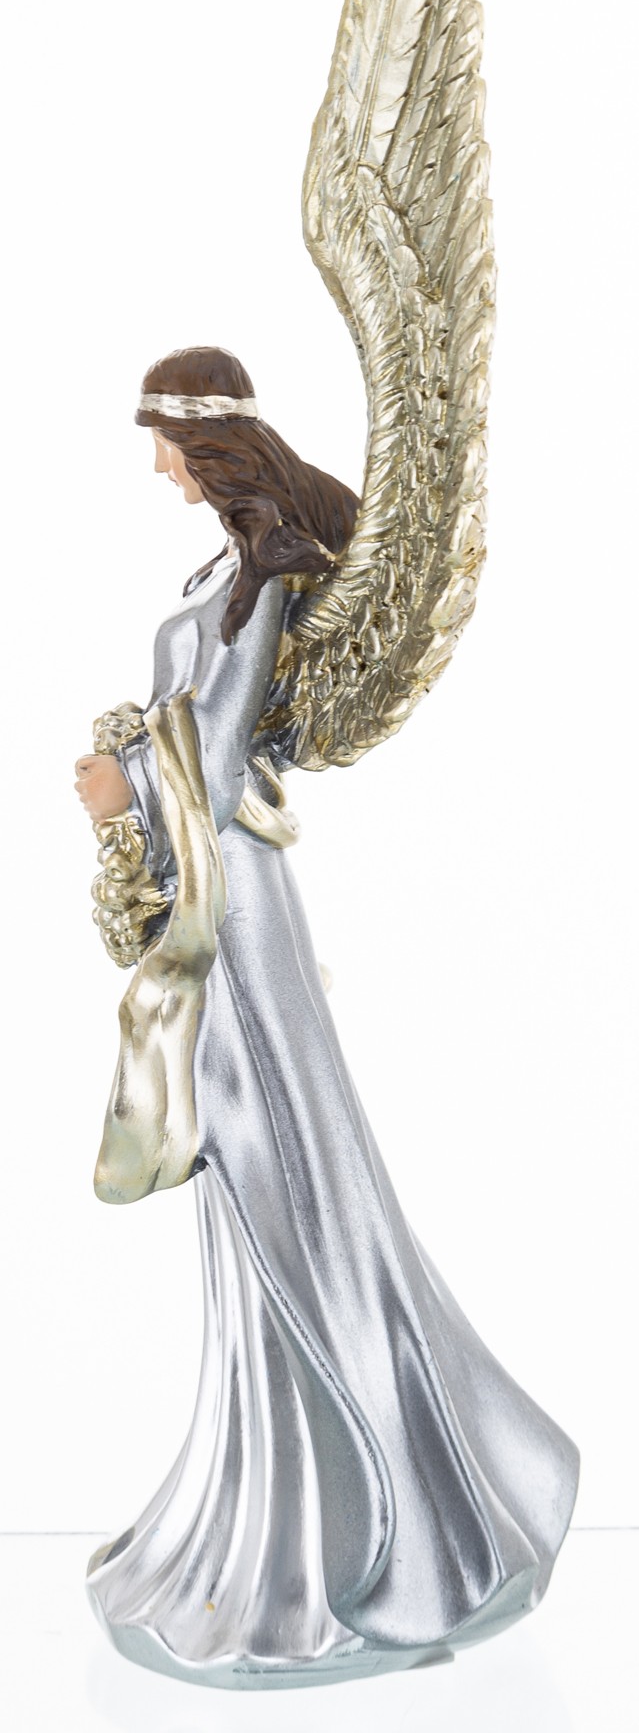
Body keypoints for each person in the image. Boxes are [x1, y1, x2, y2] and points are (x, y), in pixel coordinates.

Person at [76, 345, 579, 1690]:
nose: (158, 467)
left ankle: (374, 1539)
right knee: (249, 1184)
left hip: (232, 903)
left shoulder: (270, 576)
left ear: (212, 445)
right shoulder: (225, 572)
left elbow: (218, 751)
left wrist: (123, 783)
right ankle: (269, 1520)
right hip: (222, 889)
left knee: (277, 1175)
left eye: (166, 442)